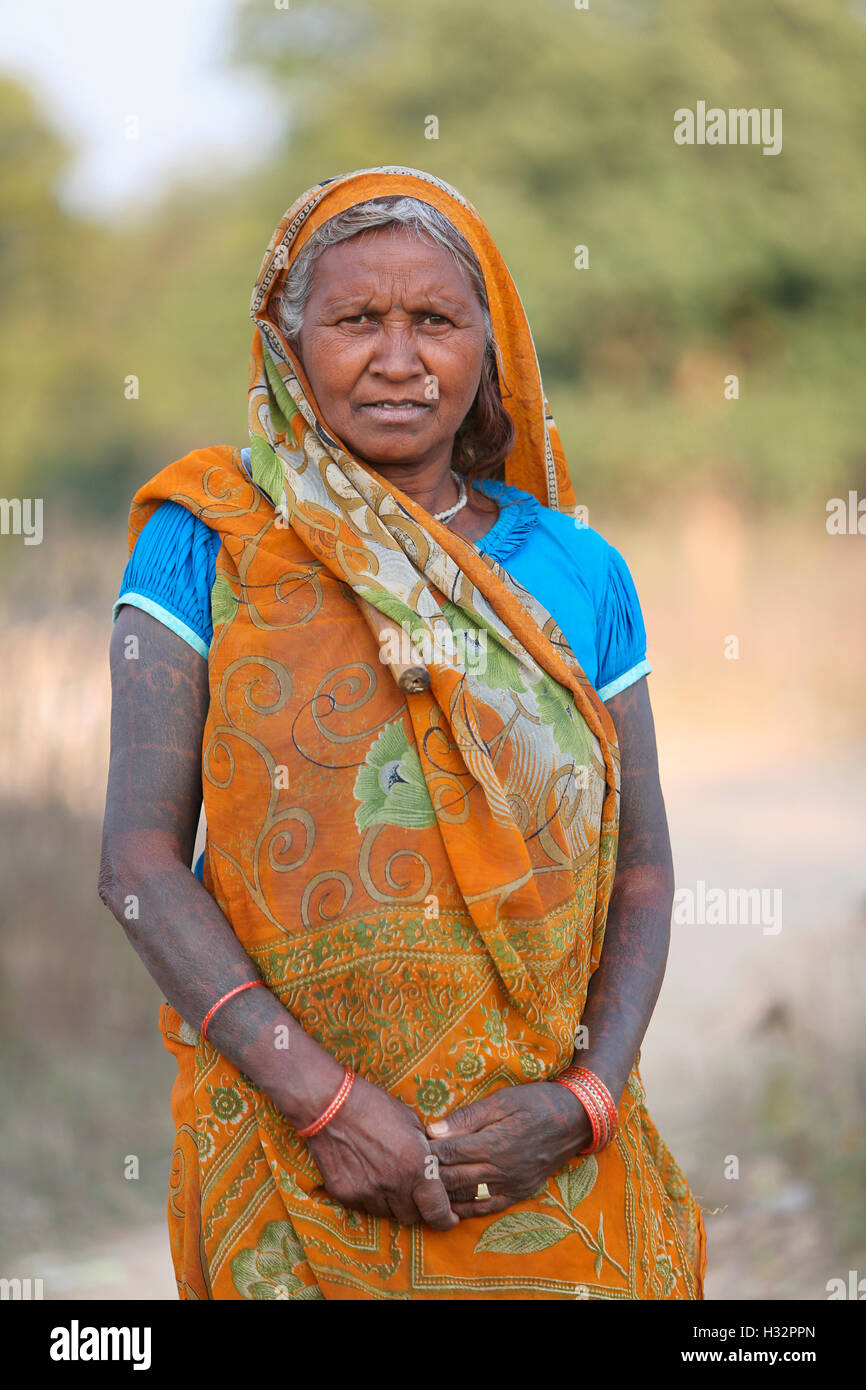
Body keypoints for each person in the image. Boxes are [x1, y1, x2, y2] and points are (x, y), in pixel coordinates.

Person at [98, 165, 706, 1300]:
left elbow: (645, 870)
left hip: (547, 1169)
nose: (395, 357)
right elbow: (135, 863)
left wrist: (583, 1103)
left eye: (433, 319)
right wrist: (328, 1105)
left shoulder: (577, 573)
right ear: (288, 346)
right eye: (353, 319)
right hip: (293, 1166)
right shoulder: (204, 544)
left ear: (487, 348)